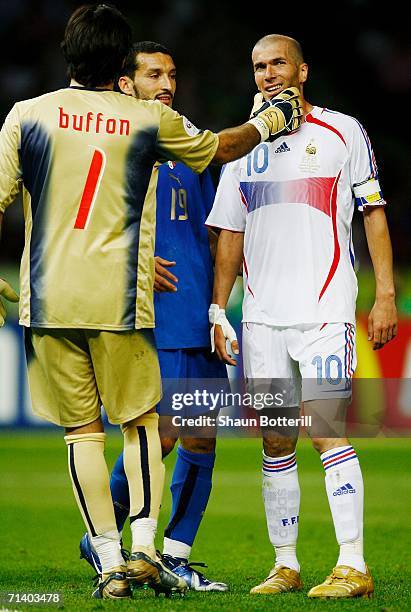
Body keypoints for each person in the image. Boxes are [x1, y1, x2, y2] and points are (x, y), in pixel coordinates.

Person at [0, 3, 303, 600]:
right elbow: (221, 147)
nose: (164, 84)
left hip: (51, 300)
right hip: (122, 303)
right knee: (144, 430)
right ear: (120, 68)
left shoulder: (25, 115)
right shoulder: (143, 122)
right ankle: (143, 549)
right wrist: (272, 121)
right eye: (150, 73)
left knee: (86, 437)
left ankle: (116, 561)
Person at [207, 34, 397, 599]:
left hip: (324, 309)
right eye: (258, 66)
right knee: (274, 440)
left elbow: (374, 213)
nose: (267, 74)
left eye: (277, 63)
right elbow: (229, 236)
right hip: (262, 318)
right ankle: (285, 565)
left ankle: (354, 566)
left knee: (326, 429)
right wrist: (221, 309)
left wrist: (384, 294)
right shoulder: (244, 144)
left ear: (302, 70)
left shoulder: (343, 132)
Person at [79, 40, 228, 592]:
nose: (166, 83)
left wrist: (221, 305)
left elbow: (218, 228)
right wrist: (134, 267)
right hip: (150, 316)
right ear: (125, 83)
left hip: (199, 313)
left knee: (201, 438)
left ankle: (175, 556)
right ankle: (104, 541)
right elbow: (85, 226)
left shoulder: (188, 144)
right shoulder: (114, 146)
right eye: (152, 74)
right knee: (160, 437)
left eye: (171, 73)